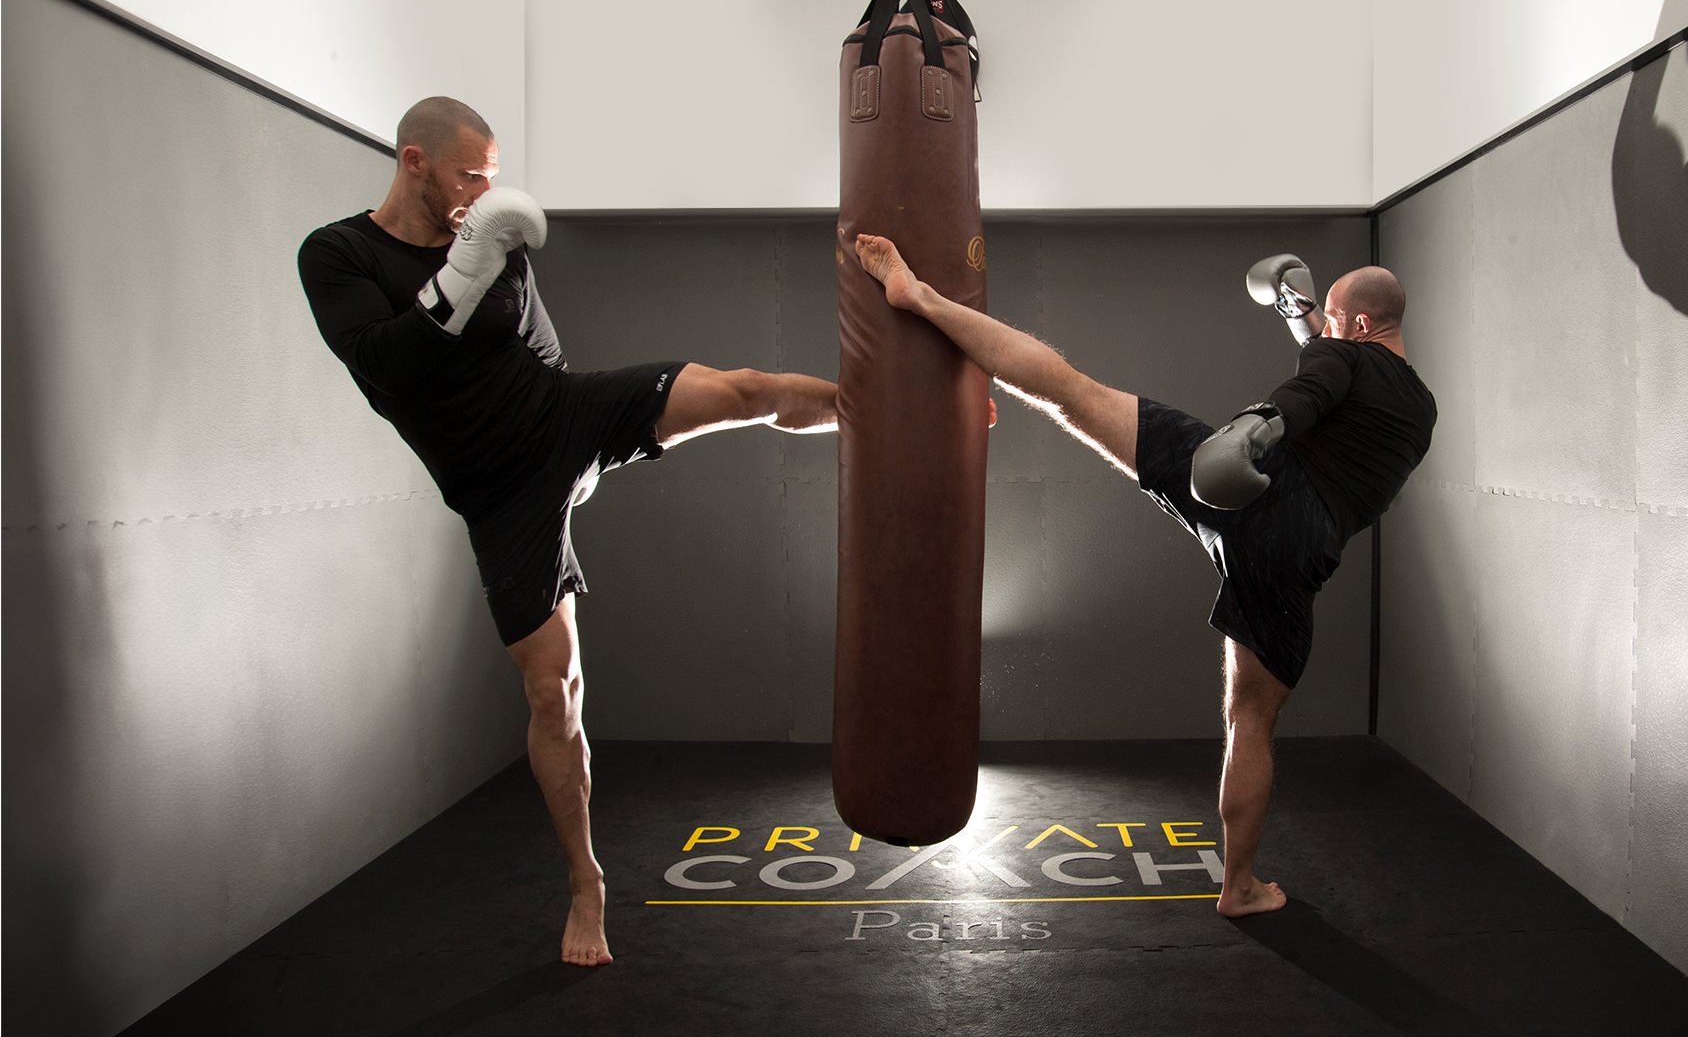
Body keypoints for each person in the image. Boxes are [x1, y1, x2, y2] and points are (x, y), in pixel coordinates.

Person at [298, 97, 838, 965]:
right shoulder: (338, 254)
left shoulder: (493, 238)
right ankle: (587, 884)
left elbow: (537, 348)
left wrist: (577, 448)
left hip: (557, 415)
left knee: (739, 392)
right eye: (469, 175)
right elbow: (389, 371)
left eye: (491, 175)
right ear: (414, 163)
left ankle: (883, 411)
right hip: (494, 490)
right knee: (554, 692)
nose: (483, 191)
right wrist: (466, 265)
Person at [852, 232, 1435, 917]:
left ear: (1358, 326)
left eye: (1333, 320)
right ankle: (1238, 887)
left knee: (1070, 392)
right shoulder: (1419, 409)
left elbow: (1311, 387)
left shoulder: (1339, 357)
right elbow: (1337, 374)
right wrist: (1299, 316)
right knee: (1249, 720)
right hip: (1298, 550)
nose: (1326, 331)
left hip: (1253, 475)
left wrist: (1254, 425)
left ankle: (919, 298)